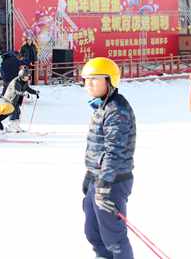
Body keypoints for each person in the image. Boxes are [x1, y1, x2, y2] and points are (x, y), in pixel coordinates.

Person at [81, 57, 136, 259]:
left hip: (113, 181)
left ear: (110, 80)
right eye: (86, 79)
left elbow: (114, 151)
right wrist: (90, 175)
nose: (89, 84)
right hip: (99, 178)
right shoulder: (101, 107)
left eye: (94, 79)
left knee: (114, 238)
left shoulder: (117, 110)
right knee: (93, 232)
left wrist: (104, 185)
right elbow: (98, 148)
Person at [2, 67, 39, 133]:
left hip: (17, 99)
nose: (28, 77)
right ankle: (9, 127)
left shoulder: (25, 82)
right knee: (14, 112)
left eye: (28, 76)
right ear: (22, 76)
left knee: (18, 112)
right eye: (26, 76)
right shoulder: (15, 82)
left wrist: (35, 92)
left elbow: (27, 88)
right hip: (10, 99)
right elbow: (16, 91)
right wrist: (23, 94)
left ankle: (16, 126)